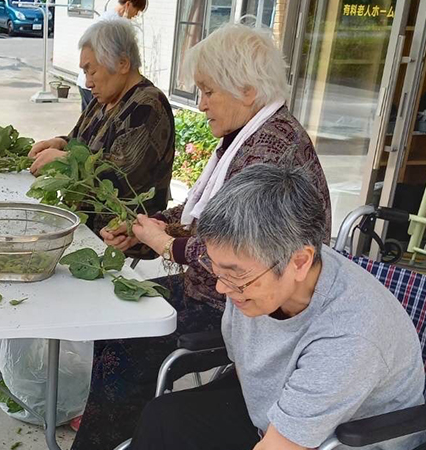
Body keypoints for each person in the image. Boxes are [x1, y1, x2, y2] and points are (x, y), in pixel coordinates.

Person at [72, 23, 332, 449]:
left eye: (209, 91)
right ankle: (122, 430)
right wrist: (147, 223)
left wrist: (166, 244)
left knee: (125, 337)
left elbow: (242, 261)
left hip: (249, 305)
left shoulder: (272, 151)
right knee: (115, 313)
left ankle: (113, 438)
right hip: (215, 289)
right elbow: (201, 213)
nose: (201, 103)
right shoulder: (245, 139)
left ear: (247, 89)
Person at [131, 164, 426, 450]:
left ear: (300, 262)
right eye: (216, 268)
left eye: (235, 273)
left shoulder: (351, 334)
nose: (222, 287)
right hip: (272, 411)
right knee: (163, 419)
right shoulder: (257, 274)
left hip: (341, 439)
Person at [29, 18, 175, 236]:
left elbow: (117, 175)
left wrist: (64, 159)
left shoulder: (148, 105)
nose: (87, 83)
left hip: (122, 232)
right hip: (85, 220)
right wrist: (60, 143)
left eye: (91, 71)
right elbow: (79, 142)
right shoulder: (103, 100)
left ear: (123, 64)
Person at [77, 0, 147, 112]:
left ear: (123, 64)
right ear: (128, 4)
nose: (136, 15)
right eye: (137, 10)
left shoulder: (145, 106)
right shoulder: (113, 26)